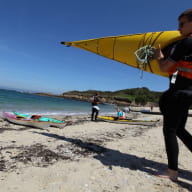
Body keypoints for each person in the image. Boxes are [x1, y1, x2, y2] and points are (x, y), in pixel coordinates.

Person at [153, 8, 192, 181]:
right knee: (180, 129)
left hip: (179, 93)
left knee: (169, 130)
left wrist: (159, 56)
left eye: (182, 24)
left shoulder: (186, 43)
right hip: (189, 94)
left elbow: (164, 67)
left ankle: (172, 173)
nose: (178, 28)